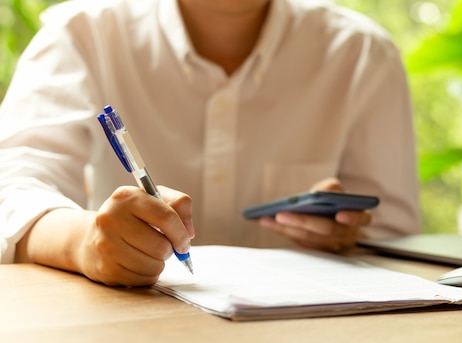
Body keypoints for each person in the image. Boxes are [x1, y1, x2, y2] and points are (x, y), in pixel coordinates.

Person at [0, 0, 420, 287]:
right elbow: (12, 190)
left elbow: (394, 234)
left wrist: (345, 235)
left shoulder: (364, 53)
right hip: (130, 338)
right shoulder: (82, 32)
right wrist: (84, 241)